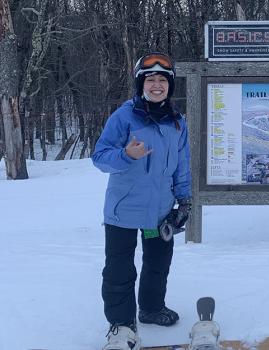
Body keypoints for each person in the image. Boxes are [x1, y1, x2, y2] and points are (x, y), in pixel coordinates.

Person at [92, 52, 192, 350]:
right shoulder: (124, 117)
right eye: (151, 79)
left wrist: (184, 200)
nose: (157, 85)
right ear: (141, 84)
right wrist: (126, 155)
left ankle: (150, 308)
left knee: (157, 263)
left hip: (159, 214)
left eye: (163, 80)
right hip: (123, 212)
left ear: (170, 86)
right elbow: (100, 157)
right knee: (119, 269)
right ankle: (122, 324)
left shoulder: (177, 122)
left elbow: (182, 163)